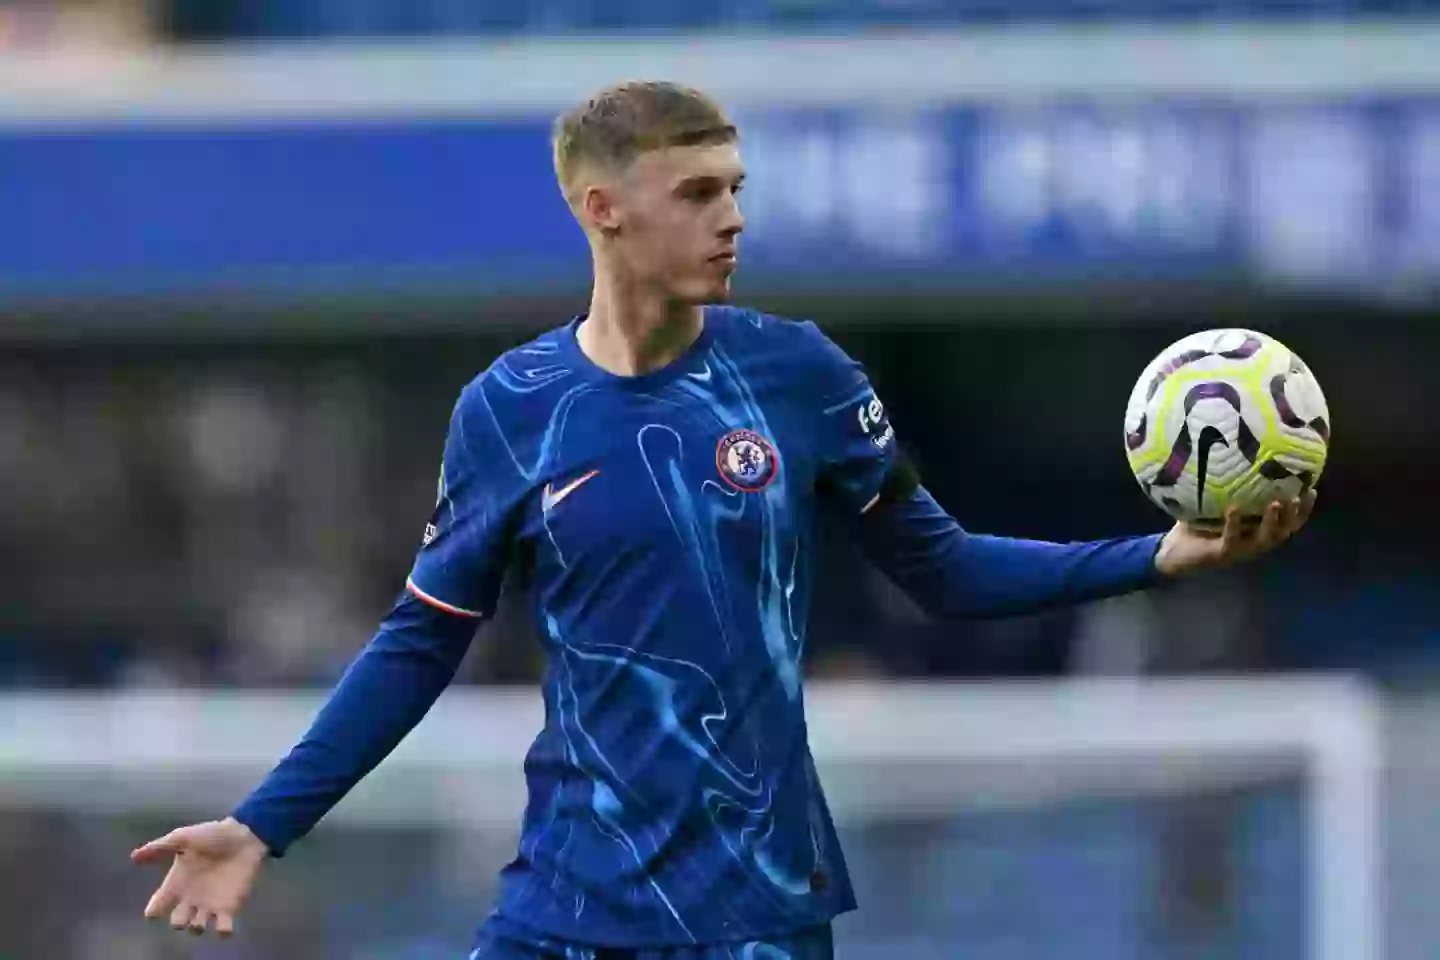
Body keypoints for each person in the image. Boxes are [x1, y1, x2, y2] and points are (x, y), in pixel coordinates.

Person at [131, 81, 1314, 958]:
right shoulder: (513, 411)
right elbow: (417, 642)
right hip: (566, 905)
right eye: (698, 192)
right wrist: (260, 826)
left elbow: (946, 570)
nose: (731, 217)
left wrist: (1162, 552)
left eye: (736, 189)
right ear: (605, 210)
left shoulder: (799, 378)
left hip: (758, 912)